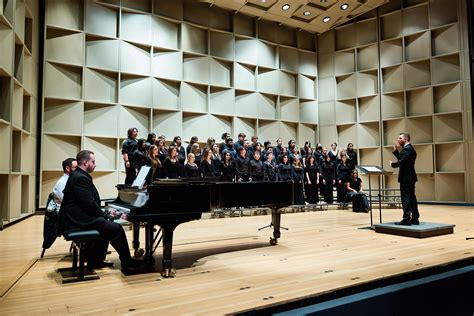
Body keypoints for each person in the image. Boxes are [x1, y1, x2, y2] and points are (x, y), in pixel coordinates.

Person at [59, 150, 144, 275]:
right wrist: (105, 214)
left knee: (106, 224)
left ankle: (96, 260)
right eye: (93, 162)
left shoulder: (78, 175)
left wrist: (105, 214)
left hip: (78, 216)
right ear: (85, 163)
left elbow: (88, 203)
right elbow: (89, 204)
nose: (95, 164)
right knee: (116, 229)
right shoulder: (80, 178)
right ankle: (127, 262)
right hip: (77, 220)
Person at [389, 132, 420, 225]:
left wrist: (392, 164)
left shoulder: (407, 149)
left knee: (405, 198)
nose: (398, 140)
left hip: (406, 177)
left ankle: (406, 219)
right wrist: (396, 150)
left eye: (400, 138)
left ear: (406, 139)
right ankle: (415, 218)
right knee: (411, 197)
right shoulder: (408, 149)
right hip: (410, 177)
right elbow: (403, 159)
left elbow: (401, 162)